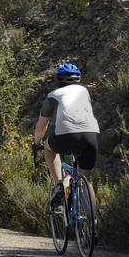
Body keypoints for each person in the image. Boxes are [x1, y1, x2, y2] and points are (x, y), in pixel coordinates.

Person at [31, 62, 100, 224]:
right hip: (91, 134)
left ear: (58, 80)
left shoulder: (52, 95)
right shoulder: (84, 91)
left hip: (65, 135)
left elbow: (42, 126)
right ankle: (92, 222)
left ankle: (59, 184)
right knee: (86, 179)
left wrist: (37, 143)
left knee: (49, 149)